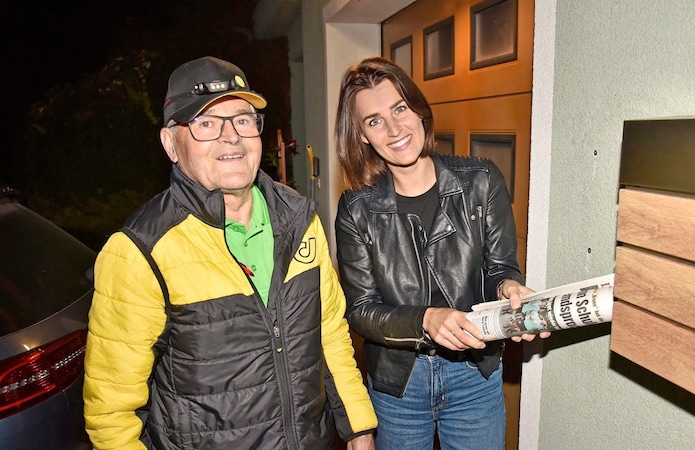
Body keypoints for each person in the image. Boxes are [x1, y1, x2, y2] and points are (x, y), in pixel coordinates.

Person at [83, 56, 377, 450]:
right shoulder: (140, 251)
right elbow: (111, 413)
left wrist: (359, 427)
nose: (231, 137)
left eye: (242, 119)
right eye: (206, 123)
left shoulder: (300, 220)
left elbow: (329, 334)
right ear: (171, 143)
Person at [333, 56, 550, 450]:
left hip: (473, 375)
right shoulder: (356, 209)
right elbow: (361, 310)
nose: (395, 128)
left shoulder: (481, 181)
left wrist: (509, 290)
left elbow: (500, 268)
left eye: (399, 108)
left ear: (418, 109)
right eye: (375, 120)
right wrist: (426, 320)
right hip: (398, 384)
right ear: (362, 135)